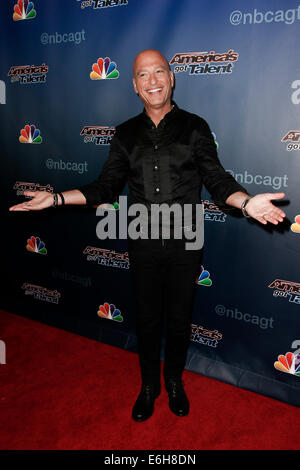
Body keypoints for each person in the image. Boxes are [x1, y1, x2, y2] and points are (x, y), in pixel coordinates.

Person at [9, 49, 286, 422]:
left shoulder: (195, 127)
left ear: (172, 78)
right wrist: (56, 198)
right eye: (143, 75)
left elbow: (217, 181)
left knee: (178, 319)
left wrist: (247, 202)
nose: (152, 80)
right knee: (147, 319)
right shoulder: (124, 134)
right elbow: (105, 188)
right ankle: (148, 386)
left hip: (186, 242)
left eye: (159, 72)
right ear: (134, 85)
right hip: (142, 241)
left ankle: (173, 382)